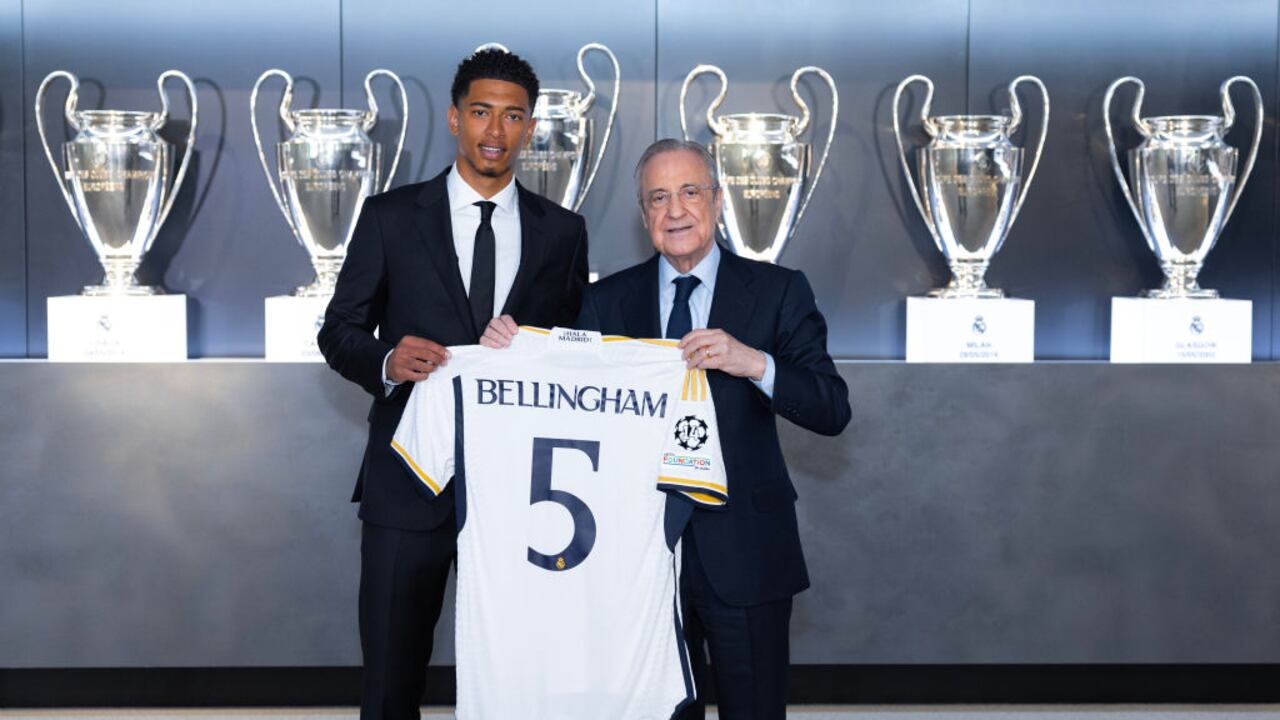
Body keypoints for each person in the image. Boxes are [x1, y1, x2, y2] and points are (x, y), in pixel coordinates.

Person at [483, 138, 849, 719]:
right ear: (644, 214)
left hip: (747, 552)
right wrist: (508, 351)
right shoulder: (604, 302)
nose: (675, 210)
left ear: (718, 200)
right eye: (658, 197)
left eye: (689, 192)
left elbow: (832, 408)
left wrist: (754, 362)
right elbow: (560, 393)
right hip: (634, 561)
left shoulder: (779, 291)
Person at [318, 48, 588, 720]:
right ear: (454, 118)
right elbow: (338, 330)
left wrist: (545, 351)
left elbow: (576, 347)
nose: (494, 131)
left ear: (530, 128)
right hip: (408, 480)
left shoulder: (564, 233)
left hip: (526, 492)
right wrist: (386, 359)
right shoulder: (389, 216)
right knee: (391, 675)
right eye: (480, 112)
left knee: (525, 675)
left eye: (513, 116)